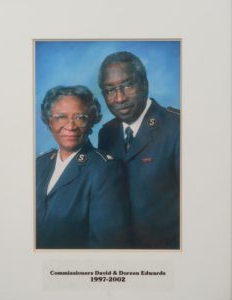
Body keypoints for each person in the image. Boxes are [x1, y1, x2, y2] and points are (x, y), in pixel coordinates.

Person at [98, 51, 180, 249]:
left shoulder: (178, 127)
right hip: (120, 250)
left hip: (167, 252)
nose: (119, 98)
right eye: (110, 90)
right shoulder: (106, 133)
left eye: (127, 85)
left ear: (144, 83)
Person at [36, 85, 129, 249]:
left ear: (91, 121)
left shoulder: (104, 170)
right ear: (49, 121)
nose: (70, 126)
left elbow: (106, 245)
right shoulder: (39, 164)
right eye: (61, 117)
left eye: (80, 117)